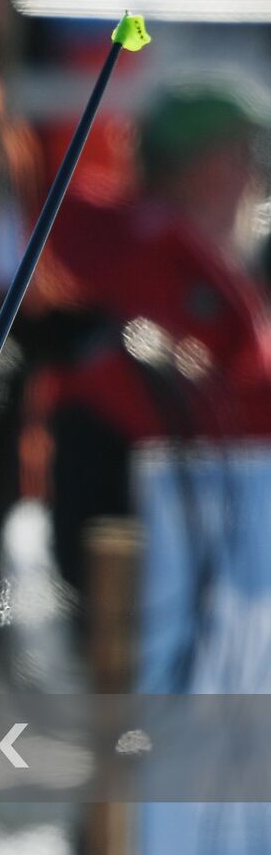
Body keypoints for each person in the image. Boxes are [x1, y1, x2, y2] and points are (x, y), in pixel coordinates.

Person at [35, 81, 271, 589]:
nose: (253, 176)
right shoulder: (156, 254)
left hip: (177, 517)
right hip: (149, 526)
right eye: (239, 156)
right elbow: (222, 394)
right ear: (192, 166)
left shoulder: (170, 251)